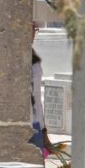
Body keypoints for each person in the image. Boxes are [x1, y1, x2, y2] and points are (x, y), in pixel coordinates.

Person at [29, 21, 51, 153]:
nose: (32, 33)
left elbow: (36, 97)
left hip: (35, 124)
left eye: (33, 29)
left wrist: (43, 131)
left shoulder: (35, 61)